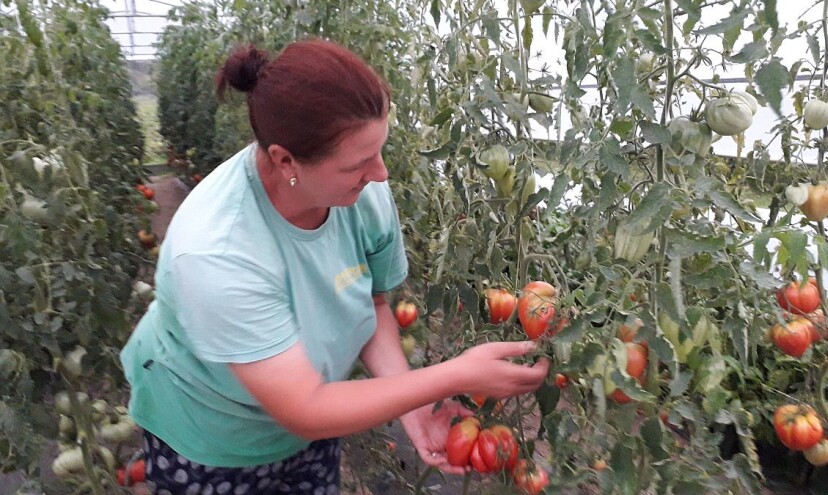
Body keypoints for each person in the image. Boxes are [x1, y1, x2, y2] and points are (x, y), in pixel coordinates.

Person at [120, 38, 549, 494]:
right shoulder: (216, 251)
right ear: (287, 160)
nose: (381, 173)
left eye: (379, 151)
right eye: (360, 162)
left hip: (317, 415)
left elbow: (371, 303)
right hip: (211, 434)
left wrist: (413, 404)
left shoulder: (360, 194)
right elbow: (304, 407)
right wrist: (454, 375)